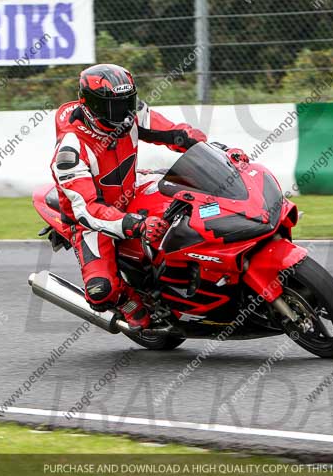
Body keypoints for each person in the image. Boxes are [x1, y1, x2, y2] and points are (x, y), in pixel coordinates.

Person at [50, 64, 247, 330]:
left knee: (198, 211)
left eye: (126, 101)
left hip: (134, 188)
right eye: (113, 106)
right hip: (91, 222)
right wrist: (136, 225)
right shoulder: (70, 151)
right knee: (100, 291)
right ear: (90, 105)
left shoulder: (130, 114)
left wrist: (216, 151)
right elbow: (88, 209)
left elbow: (176, 132)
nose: (123, 112)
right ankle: (129, 302)